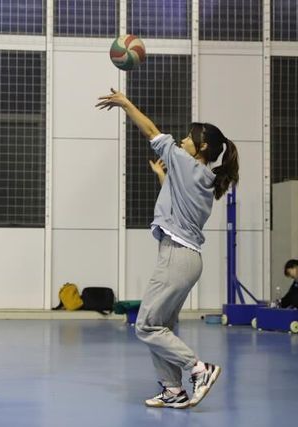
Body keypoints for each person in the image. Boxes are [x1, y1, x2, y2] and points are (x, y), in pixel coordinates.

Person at [96, 88, 239, 409]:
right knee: (161, 326)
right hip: (188, 259)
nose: (183, 141)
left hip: (176, 254)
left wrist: (125, 103)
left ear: (202, 147)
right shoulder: (202, 177)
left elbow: (151, 131)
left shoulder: (186, 163)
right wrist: (162, 176)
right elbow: (178, 201)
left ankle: (198, 369)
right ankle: (173, 389)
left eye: (189, 137)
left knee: (146, 325)